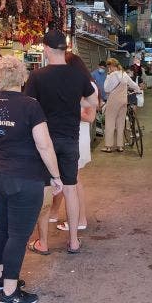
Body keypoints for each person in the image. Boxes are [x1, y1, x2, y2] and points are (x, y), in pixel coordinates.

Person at [0, 56, 63, 303]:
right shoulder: (31, 106)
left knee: (1, 229)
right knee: (18, 235)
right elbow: (44, 144)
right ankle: (9, 293)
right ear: (23, 78)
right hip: (24, 178)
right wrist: (56, 175)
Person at [23, 30, 98, 254]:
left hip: (45, 141)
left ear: (46, 49)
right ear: (64, 49)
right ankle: (74, 241)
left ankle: (43, 242)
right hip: (70, 140)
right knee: (70, 188)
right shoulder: (78, 75)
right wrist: (75, 98)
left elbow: (29, 106)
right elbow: (94, 101)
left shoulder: (37, 76)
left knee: (46, 190)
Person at [47, 53, 97, 232]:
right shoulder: (76, 83)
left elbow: (90, 116)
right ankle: (54, 213)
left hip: (77, 136)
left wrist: (65, 110)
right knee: (66, 178)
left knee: (73, 181)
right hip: (70, 135)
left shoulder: (87, 85)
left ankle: (80, 219)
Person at [101, 58, 141, 152]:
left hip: (113, 101)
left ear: (110, 66)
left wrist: (107, 76)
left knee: (110, 122)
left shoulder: (112, 75)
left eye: (108, 67)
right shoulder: (124, 74)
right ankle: (120, 146)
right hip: (123, 101)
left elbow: (106, 89)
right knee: (121, 123)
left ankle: (108, 146)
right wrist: (138, 90)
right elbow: (133, 85)